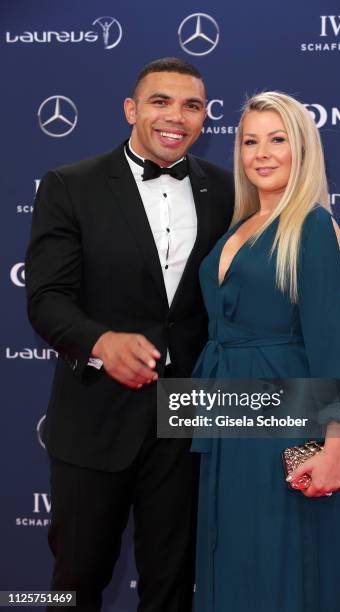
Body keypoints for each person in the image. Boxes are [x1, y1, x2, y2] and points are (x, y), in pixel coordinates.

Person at [25, 57, 234, 611]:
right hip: (95, 418)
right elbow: (46, 298)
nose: (176, 116)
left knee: (171, 585)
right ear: (131, 110)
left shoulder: (228, 190)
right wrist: (99, 342)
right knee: (76, 583)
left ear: (204, 117)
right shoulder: (70, 186)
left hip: (188, 420)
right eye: (160, 101)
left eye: (191, 105)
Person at [191, 92, 340, 612]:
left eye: (277, 139)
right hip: (228, 414)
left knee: (284, 565)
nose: (261, 153)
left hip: (288, 421)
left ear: (303, 149)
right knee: (234, 559)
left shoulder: (313, 227)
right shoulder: (237, 228)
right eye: (250, 141)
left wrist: (335, 448)